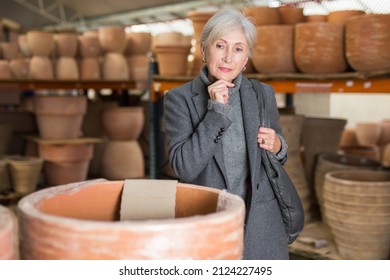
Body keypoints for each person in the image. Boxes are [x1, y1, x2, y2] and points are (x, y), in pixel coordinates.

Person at [163, 8, 290, 259]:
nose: (228, 58)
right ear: (204, 50)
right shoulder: (180, 99)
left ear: (246, 59)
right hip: (209, 223)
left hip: (262, 225)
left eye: (238, 49)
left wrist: (278, 146)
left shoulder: (262, 94)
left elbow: (279, 157)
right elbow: (184, 168)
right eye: (220, 46)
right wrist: (216, 112)